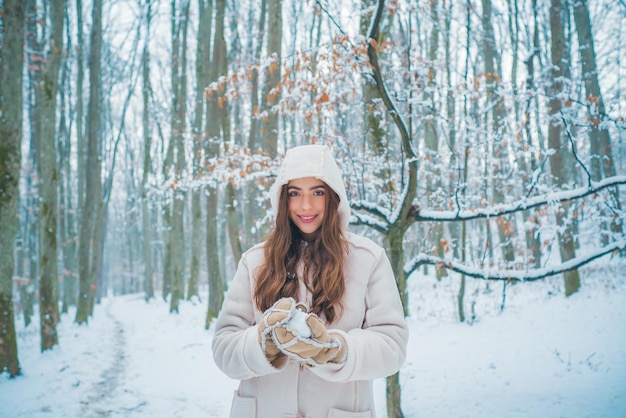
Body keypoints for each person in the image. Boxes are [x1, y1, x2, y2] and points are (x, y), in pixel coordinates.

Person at [212, 144, 408, 418]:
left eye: (318, 192)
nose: (306, 205)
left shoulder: (368, 259)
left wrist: (336, 351)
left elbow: (392, 346)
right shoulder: (254, 261)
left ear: (334, 197)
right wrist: (262, 344)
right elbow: (223, 346)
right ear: (283, 199)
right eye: (295, 194)